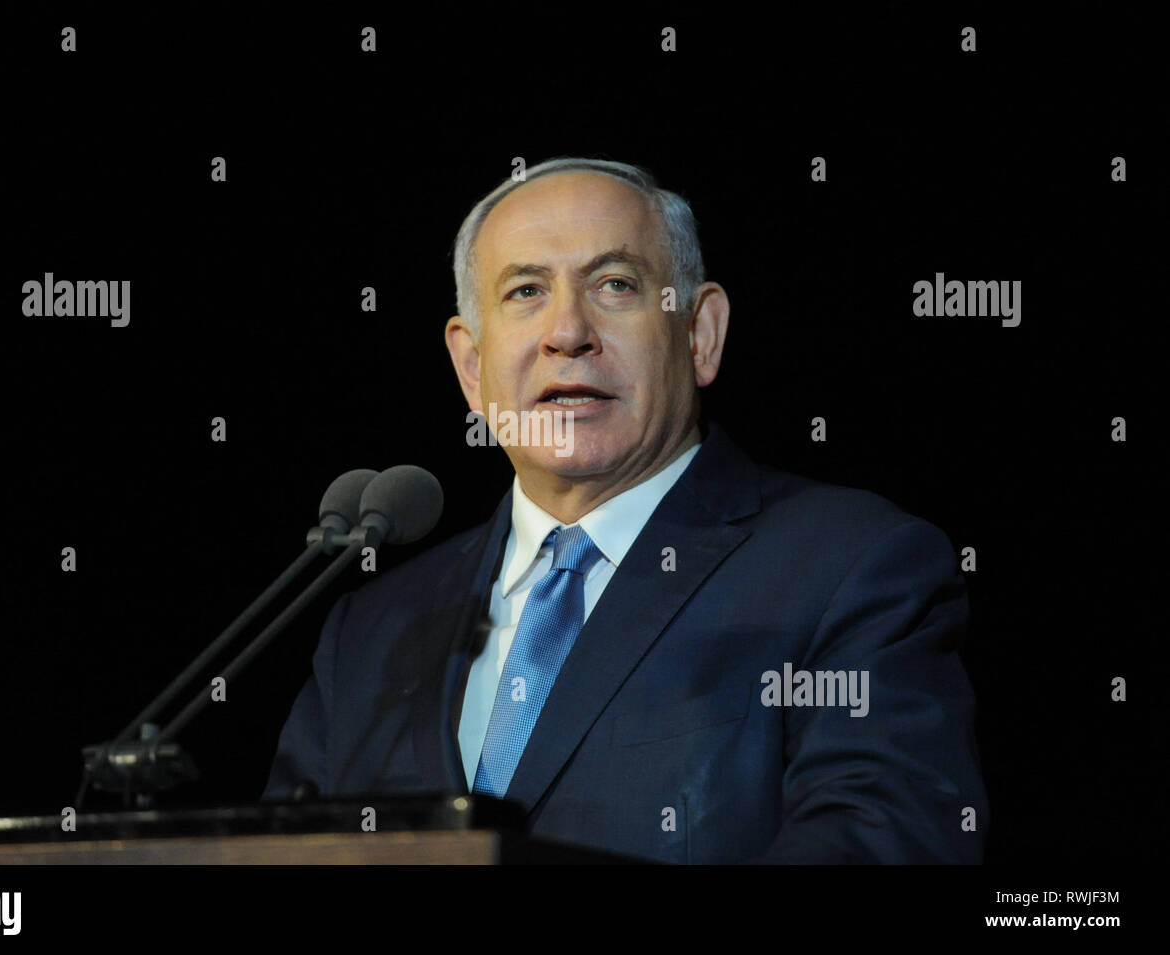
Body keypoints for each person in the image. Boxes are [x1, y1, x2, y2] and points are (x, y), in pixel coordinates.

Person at [263, 157, 988, 863]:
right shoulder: (372, 631)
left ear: (699, 333)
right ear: (472, 366)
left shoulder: (850, 568)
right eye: (524, 292)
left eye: (614, 284)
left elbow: (878, 839)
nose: (567, 331)